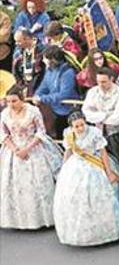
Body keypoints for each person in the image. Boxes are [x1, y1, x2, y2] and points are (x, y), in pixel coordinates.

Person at [54, 110, 119, 246]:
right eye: (77, 126)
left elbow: (103, 152)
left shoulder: (94, 133)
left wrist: (108, 171)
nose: (80, 128)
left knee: (99, 196)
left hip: (95, 164)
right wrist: (63, 169)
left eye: (82, 125)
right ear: (71, 127)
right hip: (76, 166)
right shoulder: (68, 134)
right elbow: (68, 152)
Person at [0, 86, 63, 230]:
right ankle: (18, 220)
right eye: (8, 102)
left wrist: (27, 148)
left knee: (38, 182)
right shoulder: (5, 114)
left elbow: (41, 132)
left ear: (21, 99)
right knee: (15, 184)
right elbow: (3, 134)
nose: (11, 105)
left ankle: (42, 218)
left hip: (33, 148)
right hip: (13, 150)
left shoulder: (33, 111)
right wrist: (15, 149)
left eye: (14, 101)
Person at [82, 67, 119, 164]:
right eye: (98, 81)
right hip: (97, 132)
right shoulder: (93, 92)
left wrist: (97, 117)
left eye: (104, 82)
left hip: (116, 135)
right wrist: (105, 115)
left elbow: (117, 118)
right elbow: (86, 112)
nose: (100, 85)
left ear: (111, 79)